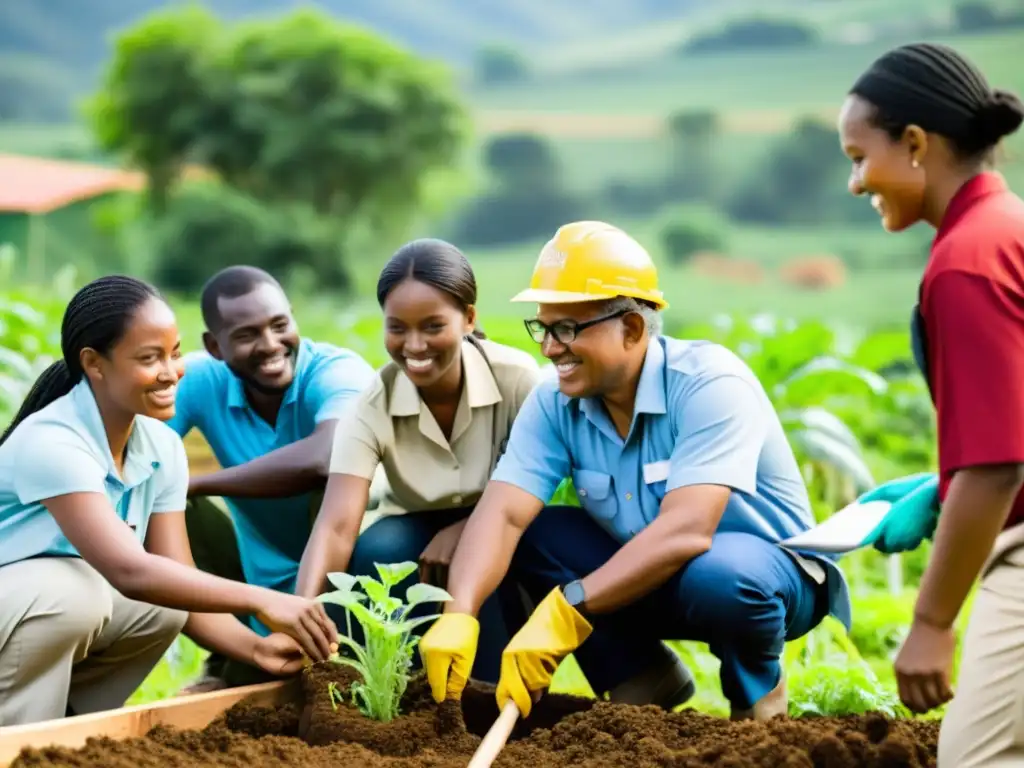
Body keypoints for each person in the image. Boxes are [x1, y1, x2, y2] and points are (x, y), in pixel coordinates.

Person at [418, 221, 851, 719]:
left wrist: (569, 608)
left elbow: (685, 532)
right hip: (641, 574)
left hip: (763, 581)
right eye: (543, 327)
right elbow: (503, 514)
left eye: (567, 329)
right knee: (532, 534)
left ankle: (757, 703)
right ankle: (642, 677)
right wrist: (460, 613)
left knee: (723, 576)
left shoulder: (708, 383)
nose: (549, 348)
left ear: (632, 328)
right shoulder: (555, 401)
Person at [0, 275, 338, 727]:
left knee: (164, 603)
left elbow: (177, 580)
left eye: (175, 353)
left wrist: (255, 648)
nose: (171, 371)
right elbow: (130, 571)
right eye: (149, 358)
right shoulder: (53, 442)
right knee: (76, 591)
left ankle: (71, 724)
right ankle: (22, 734)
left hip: (32, 613)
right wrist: (262, 600)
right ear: (94, 364)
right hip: (27, 600)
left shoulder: (160, 446)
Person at [838, 42, 1024, 766]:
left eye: (859, 157)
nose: (855, 183)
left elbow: (999, 464)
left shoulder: (966, 263)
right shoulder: (1007, 227)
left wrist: (931, 621)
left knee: (978, 758)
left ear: (915, 144)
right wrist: (942, 487)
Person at [294, 238, 541, 684]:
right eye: (397, 328)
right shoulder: (372, 403)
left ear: (468, 318)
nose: (414, 345)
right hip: (416, 527)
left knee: (486, 574)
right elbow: (336, 525)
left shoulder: (519, 379)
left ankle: (485, 686)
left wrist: (468, 528)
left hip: (507, 522)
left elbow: (543, 482)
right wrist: (300, 613)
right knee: (379, 552)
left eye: (432, 326)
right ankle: (387, 686)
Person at [166, 266, 376, 690]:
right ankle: (227, 649)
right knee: (165, 504)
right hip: (255, 573)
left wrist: (200, 482)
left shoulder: (337, 373)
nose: (270, 345)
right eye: (246, 335)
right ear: (215, 346)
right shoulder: (199, 378)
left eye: (280, 325)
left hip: (350, 572)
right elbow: (131, 450)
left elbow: (326, 456)